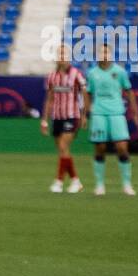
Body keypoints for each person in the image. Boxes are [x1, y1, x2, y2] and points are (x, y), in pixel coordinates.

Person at [83, 42, 138, 196]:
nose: (104, 55)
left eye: (106, 52)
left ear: (111, 55)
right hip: (99, 113)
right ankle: (99, 185)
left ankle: (127, 184)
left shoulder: (120, 72)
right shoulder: (92, 73)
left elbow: (129, 91)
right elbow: (87, 93)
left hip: (116, 113)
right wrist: (86, 113)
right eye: (101, 52)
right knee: (100, 147)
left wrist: (135, 112)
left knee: (122, 147)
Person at [41, 42, 87, 192]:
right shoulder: (52, 77)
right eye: (59, 54)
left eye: (64, 54)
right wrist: (44, 120)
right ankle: (75, 181)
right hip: (57, 116)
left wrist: (84, 115)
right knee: (62, 150)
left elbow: (84, 95)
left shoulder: (76, 75)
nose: (62, 57)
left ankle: (59, 181)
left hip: (71, 115)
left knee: (63, 146)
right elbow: (49, 99)